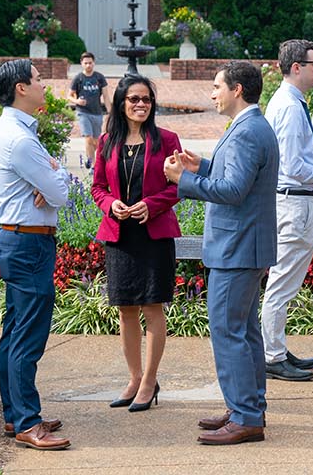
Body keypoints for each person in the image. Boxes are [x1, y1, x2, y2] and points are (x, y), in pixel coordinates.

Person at [163, 61, 277, 446]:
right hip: (244, 246)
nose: (212, 93)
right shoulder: (250, 127)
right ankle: (247, 407)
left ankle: (246, 417)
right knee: (244, 331)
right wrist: (204, 166)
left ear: (237, 90)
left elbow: (233, 192)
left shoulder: (247, 131)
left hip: (237, 248)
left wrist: (185, 180)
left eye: (217, 87)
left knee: (229, 331)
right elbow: (236, 177)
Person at [0, 59, 71, 450]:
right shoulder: (20, 139)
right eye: (38, 80)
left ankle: (15, 414)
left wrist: (52, 177)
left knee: (15, 332)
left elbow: (52, 186)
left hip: (21, 239)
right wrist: (57, 175)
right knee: (28, 335)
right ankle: (26, 421)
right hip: (28, 243)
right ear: (21, 88)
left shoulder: (15, 130)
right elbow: (61, 192)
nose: (44, 86)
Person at [90, 74, 183, 412]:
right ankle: (134, 377)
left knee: (151, 306)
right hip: (119, 234)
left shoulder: (168, 140)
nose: (141, 104)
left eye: (146, 99)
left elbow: (179, 186)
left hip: (154, 233)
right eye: (134, 99)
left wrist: (152, 204)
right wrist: (109, 204)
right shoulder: (107, 142)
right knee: (126, 309)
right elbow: (97, 186)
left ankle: (149, 382)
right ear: (121, 104)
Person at [262, 39, 313, 382]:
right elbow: (293, 165)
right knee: (282, 283)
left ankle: (276, 347)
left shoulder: (289, 102)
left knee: (285, 282)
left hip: (294, 200)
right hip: (295, 200)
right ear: (296, 67)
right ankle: (272, 355)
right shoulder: (291, 107)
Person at [70, 52, 108, 170]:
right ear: (81, 63)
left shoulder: (99, 77)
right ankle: (93, 165)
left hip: (97, 112)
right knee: (88, 138)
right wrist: (77, 101)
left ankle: (89, 157)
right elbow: (69, 96)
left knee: (96, 142)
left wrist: (111, 112)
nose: (88, 65)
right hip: (83, 112)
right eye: (85, 63)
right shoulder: (78, 78)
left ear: (94, 63)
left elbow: (106, 96)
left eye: (90, 63)